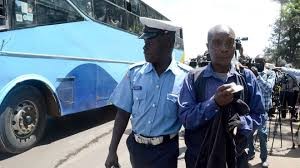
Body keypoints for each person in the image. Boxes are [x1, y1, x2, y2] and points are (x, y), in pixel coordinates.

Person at [105, 17, 191, 168]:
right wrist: (112, 151)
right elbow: (122, 114)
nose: (144, 48)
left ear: (167, 41)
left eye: (149, 43)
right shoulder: (134, 73)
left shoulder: (186, 77)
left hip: (166, 151)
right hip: (137, 149)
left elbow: (191, 120)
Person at [178, 25, 265, 168]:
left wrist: (242, 122)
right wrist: (214, 103)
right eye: (217, 42)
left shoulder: (246, 76)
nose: (224, 48)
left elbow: (260, 114)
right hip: (200, 160)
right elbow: (186, 118)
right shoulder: (194, 78)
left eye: (229, 43)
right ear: (208, 46)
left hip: (236, 160)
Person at [248, 55, 276, 167]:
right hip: (251, 108)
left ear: (265, 62)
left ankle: (264, 158)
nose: (257, 63)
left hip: (262, 109)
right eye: (256, 61)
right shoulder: (251, 72)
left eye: (260, 62)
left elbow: (269, 88)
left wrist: (257, 76)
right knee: (248, 132)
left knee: (262, 134)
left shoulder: (270, 73)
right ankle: (250, 152)